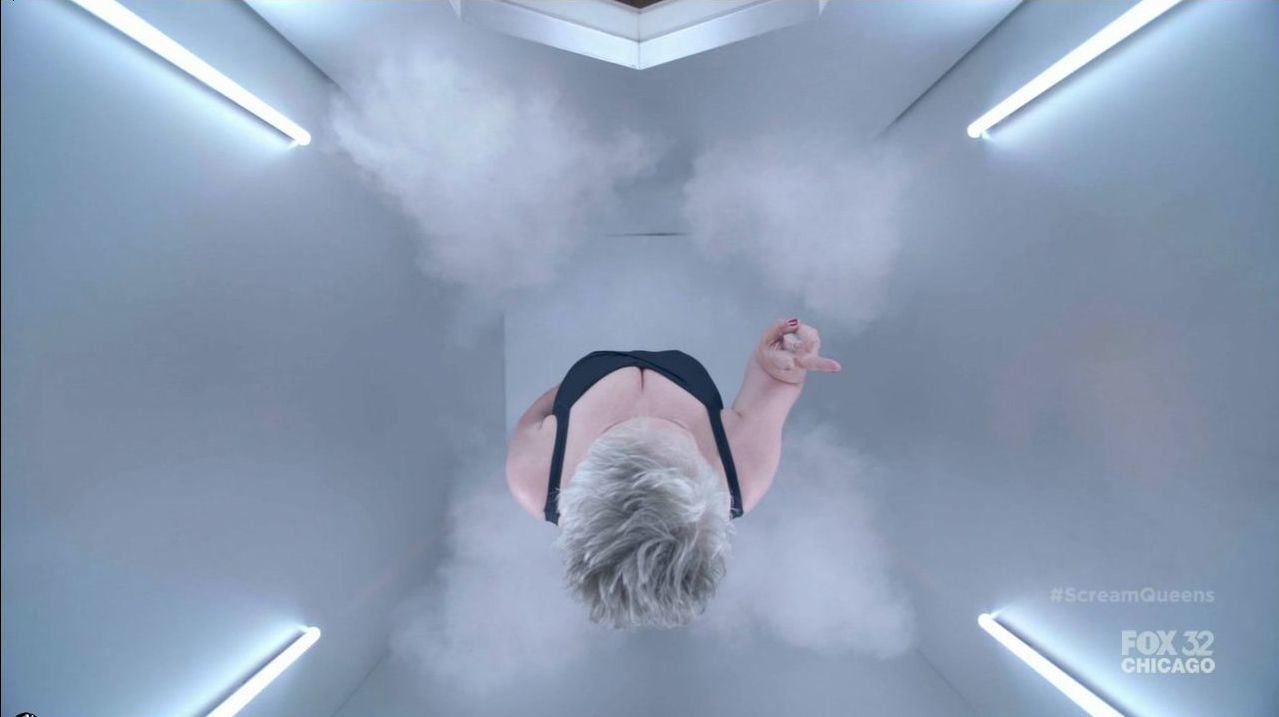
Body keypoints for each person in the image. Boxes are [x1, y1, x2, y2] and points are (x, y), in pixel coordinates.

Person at [505, 318, 841, 629]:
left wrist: (577, 397)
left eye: (630, 440)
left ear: (581, 484)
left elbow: (539, 412)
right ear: (709, 496)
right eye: (671, 449)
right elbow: (778, 381)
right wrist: (782, 362)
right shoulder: (741, 477)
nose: (643, 422)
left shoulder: (533, 479)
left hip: (587, 381)